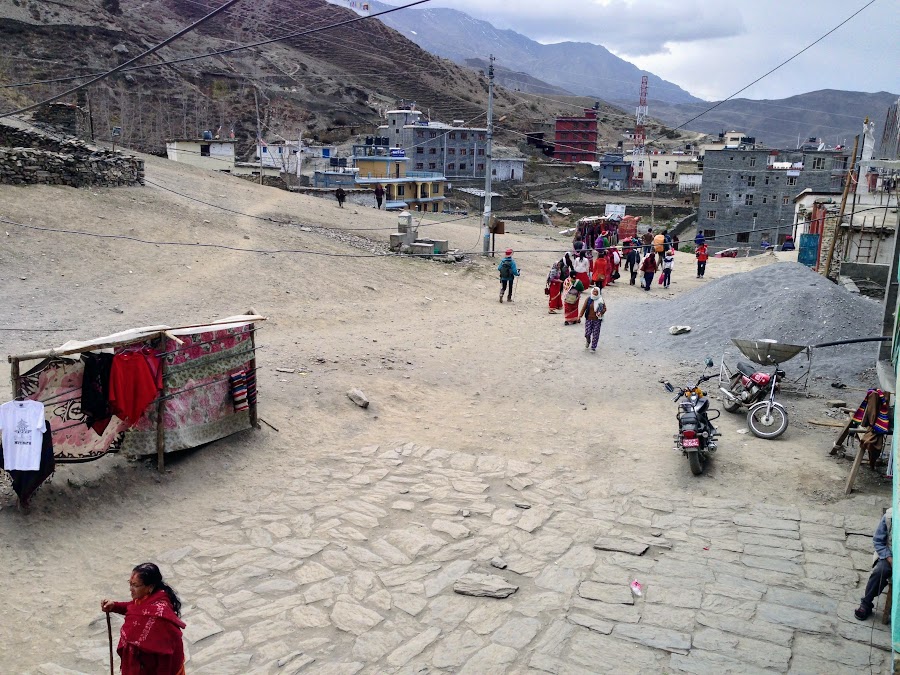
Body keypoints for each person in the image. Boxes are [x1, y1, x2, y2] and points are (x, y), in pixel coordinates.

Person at [101, 563, 186, 675]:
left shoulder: (159, 615)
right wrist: (114, 606)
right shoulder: (146, 599)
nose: (131, 589)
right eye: (130, 584)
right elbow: (135, 608)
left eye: (135, 585)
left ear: (150, 587)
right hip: (139, 664)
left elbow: (165, 656)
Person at [855, 509, 892, 620]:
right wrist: (890, 559)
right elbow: (878, 541)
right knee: (880, 571)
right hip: (890, 555)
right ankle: (866, 603)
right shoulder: (890, 517)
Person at [579, 285, 606, 352]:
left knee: (595, 333)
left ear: (598, 292)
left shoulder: (601, 300)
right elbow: (584, 308)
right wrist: (580, 315)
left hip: (597, 319)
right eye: (594, 291)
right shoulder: (588, 299)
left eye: (596, 292)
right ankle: (588, 340)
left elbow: (605, 308)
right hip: (588, 318)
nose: (595, 293)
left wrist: (601, 312)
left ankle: (593, 347)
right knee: (587, 333)